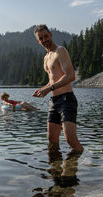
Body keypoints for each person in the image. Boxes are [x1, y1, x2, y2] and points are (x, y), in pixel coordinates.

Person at [32, 24, 84, 153]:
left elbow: (70, 76)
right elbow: (52, 80)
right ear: (38, 41)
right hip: (53, 101)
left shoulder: (60, 51)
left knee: (70, 139)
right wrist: (43, 89)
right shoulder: (46, 58)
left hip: (67, 100)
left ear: (51, 35)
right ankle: (55, 170)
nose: (44, 40)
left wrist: (49, 88)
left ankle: (83, 159)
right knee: (52, 140)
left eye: (46, 36)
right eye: (41, 38)